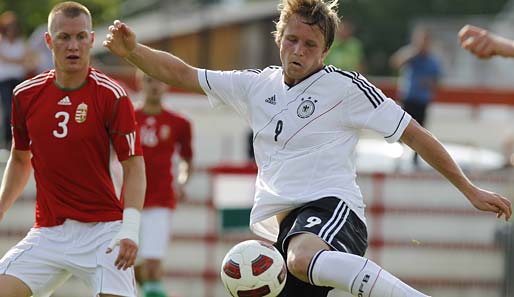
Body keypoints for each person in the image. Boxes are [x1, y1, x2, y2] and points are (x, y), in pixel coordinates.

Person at [104, 0, 512, 296]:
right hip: (287, 229)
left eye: (310, 45)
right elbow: (184, 73)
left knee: (300, 258)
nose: (298, 51)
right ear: (279, 38)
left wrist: (470, 189)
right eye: (292, 40)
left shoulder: (346, 88)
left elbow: (414, 133)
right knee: (297, 260)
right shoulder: (255, 84)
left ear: (326, 50)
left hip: (333, 213)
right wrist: (134, 52)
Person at [0, 2, 145, 297]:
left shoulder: (112, 95)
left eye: (80, 37)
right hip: (49, 233)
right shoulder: (24, 95)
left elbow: (134, 166)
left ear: (91, 40)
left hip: (104, 232)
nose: (73, 45)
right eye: (64, 37)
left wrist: (130, 228)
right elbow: (19, 160)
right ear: (49, 42)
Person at [134, 71, 193, 297]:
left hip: (160, 199)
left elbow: (187, 160)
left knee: (152, 263)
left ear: (166, 85)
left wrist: (181, 182)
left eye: (158, 80)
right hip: (127, 200)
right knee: (124, 265)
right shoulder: (126, 116)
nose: (154, 86)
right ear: (140, 82)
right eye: (149, 80)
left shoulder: (180, 122)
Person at [390, 26, 442, 165]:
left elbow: (437, 81)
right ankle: (398, 154)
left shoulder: (432, 60)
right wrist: (412, 54)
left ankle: (416, 158)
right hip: (408, 97)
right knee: (401, 127)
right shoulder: (410, 55)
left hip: (422, 100)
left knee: (421, 130)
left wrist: (428, 84)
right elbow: (395, 63)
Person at [0, 11, 31, 149]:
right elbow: (4, 58)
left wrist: (15, 61)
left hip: (19, 79)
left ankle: (20, 138)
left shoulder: (20, 41)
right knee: (8, 109)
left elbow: (26, 59)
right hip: (5, 80)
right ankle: (7, 140)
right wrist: (17, 61)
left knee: (20, 109)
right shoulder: (2, 41)